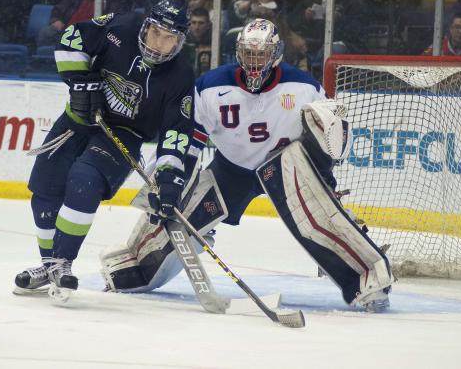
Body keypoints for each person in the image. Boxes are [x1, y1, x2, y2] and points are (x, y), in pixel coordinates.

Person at [100, 18, 395, 312]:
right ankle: (133, 267)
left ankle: (369, 279)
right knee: (180, 219)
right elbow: (188, 140)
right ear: (238, 53)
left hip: (285, 167)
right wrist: (172, 180)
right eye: (249, 54)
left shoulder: (304, 87)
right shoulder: (211, 87)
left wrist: (324, 178)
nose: (254, 63)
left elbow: (328, 135)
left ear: (275, 53)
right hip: (231, 172)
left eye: (261, 55)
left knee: (319, 218)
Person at [13, 0, 195, 300]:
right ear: (146, 26)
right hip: (77, 120)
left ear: (180, 41)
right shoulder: (120, 27)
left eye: (170, 38)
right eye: (156, 34)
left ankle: (62, 262)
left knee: (85, 181)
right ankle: (49, 265)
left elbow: (177, 130)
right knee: (45, 190)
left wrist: (168, 176)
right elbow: (71, 39)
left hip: (123, 135)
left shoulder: (181, 76)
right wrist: (81, 82)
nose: (160, 45)